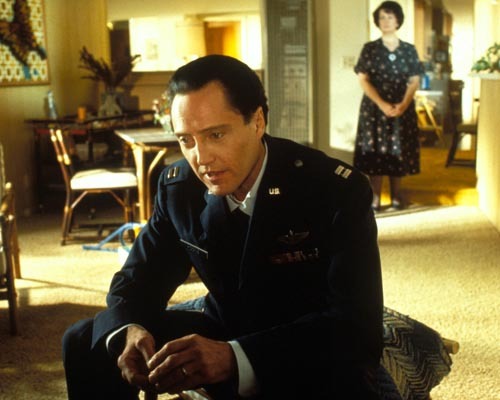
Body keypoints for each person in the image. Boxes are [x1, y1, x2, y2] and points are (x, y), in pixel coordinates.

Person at [62, 54, 383, 399]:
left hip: (301, 346)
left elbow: (358, 328)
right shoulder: (179, 188)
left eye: (215, 135)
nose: (201, 158)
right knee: (86, 339)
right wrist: (130, 329)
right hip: (223, 327)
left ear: (257, 122)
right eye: (186, 140)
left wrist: (234, 358)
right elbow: (137, 280)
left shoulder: (334, 190)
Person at [353, 1, 424, 211]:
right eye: (382, 17)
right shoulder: (370, 49)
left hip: (402, 106)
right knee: (375, 149)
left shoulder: (409, 50)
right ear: (377, 21)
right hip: (375, 108)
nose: (386, 21)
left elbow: (414, 80)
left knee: (398, 148)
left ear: (398, 20)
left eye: (390, 17)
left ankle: (396, 195)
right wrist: (383, 104)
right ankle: (375, 197)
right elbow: (363, 79)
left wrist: (403, 104)